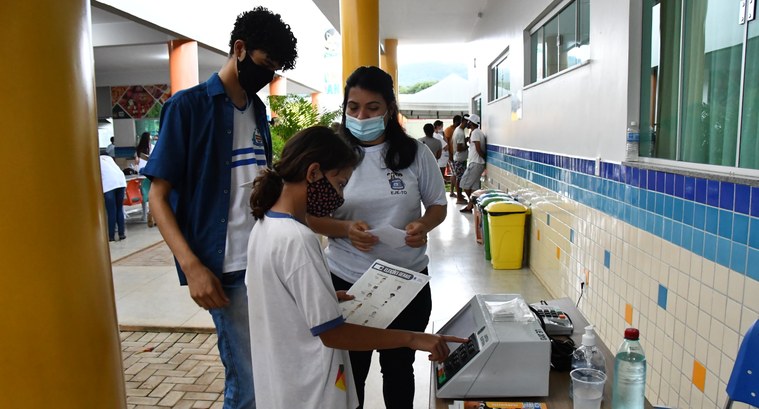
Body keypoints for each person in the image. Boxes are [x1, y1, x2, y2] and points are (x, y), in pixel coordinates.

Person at [142, 7, 298, 409]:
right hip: (225, 269)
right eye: (265, 64)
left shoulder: (258, 111)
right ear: (239, 49)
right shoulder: (187, 108)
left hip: (265, 260)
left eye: (275, 69)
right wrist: (193, 267)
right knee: (247, 385)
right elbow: (157, 198)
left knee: (271, 374)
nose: (268, 76)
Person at [246, 126, 467, 409]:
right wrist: (413, 338)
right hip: (311, 392)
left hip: (281, 385)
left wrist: (324, 295)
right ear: (313, 173)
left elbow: (278, 301)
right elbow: (334, 334)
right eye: (339, 184)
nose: (339, 197)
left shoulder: (265, 225)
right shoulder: (298, 239)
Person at [308, 66, 449, 409]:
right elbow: (309, 215)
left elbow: (437, 206)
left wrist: (422, 227)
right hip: (349, 280)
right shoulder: (330, 155)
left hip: (407, 282)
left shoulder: (415, 154)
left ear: (389, 108)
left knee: (400, 369)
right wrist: (345, 229)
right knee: (350, 373)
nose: (361, 115)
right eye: (353, 107)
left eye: (372, 108)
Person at [458, 114, 486, 213]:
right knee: (474, 188)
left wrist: (483, 158)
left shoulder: (475, 133)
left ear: (472, 123)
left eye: (469, 122)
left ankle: (472, 203)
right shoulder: (476, 132)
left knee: (464, 184)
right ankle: (471, 206)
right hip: (477, 162)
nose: (467, 123)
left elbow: (478, 148)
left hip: (476, 162)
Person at [99, 154, 127, 241]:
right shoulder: (108, 158)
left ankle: (111, 236)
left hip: (109, 185)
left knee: (111, 211)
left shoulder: (95, 161)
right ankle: (121, 234)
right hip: (121, 182)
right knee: (119, 209)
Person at [451, 114, 470, 204]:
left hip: (459, 159)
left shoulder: (458, 130)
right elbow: (459, 148)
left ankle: (459, 195)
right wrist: (468, 146)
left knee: (459, 178)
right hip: (460, 159)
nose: (468, 124)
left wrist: (465, 141)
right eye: (468, 122)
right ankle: (459, 198)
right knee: (460, 179)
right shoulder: (460, 132)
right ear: (465, 121)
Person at [443, 115, 461, 197]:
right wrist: (450, 155)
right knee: (454, 174)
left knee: (455, 174)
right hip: (451, 155)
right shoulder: (448, 130)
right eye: (459, 122)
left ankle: (453, 192)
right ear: (456, 122)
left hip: (455, 155)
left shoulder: (457, 129)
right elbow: (446, 143)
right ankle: (452, 192)